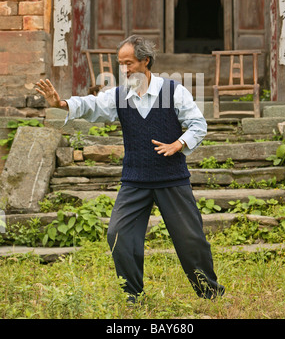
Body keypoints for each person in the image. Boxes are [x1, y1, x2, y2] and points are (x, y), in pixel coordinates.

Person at [36, 35, 224, 303]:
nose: (124, 70)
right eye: (120, 64)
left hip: (172, 178)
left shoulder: (174, 91)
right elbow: (92, 106)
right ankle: (133, 295)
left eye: (129, 63)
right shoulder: (119, 95)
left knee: (191, 240)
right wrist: (62, 104)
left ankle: (210, 292)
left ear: (145, 61)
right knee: (119, 235)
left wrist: (178, 144)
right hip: (135, 180)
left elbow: (198, 125)